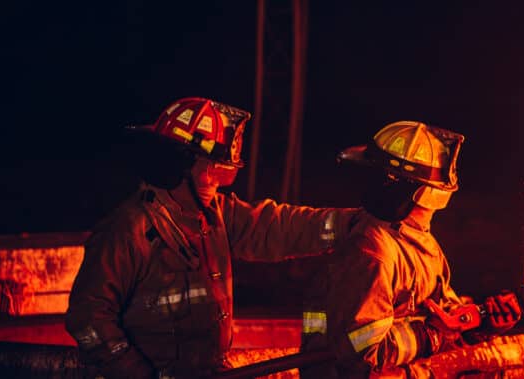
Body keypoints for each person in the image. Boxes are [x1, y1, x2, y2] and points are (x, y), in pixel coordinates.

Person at [65, 97, 356, 379]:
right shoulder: (128, 231)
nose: (216, 186)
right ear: (176, 167)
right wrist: (136, 373)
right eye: (211, 172)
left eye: (222, 175)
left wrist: (352, 224)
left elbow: (279, 227)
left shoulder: (214, 216)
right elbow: (87, 320)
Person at [300, 121, 522, 378]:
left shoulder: (424, 247)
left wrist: (479, 325)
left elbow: (444, 323)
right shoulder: (372, 252)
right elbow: (360, 353)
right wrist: (432, 334)